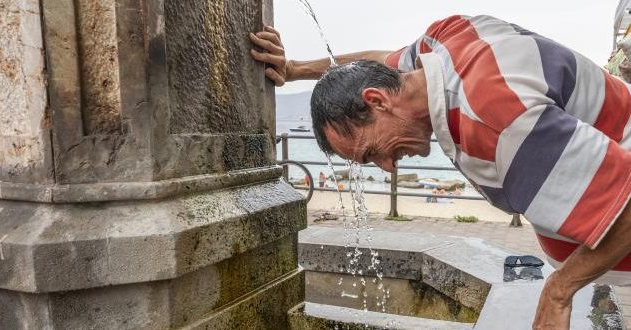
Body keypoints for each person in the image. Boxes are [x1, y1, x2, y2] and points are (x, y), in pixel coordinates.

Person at [250, 15, 631, 329]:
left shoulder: (494, 122)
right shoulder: (441, 44)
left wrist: (559, 291)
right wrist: (297, 69)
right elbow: (377, 62)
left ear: (377, 101)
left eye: (372, 154)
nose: (388, 166)